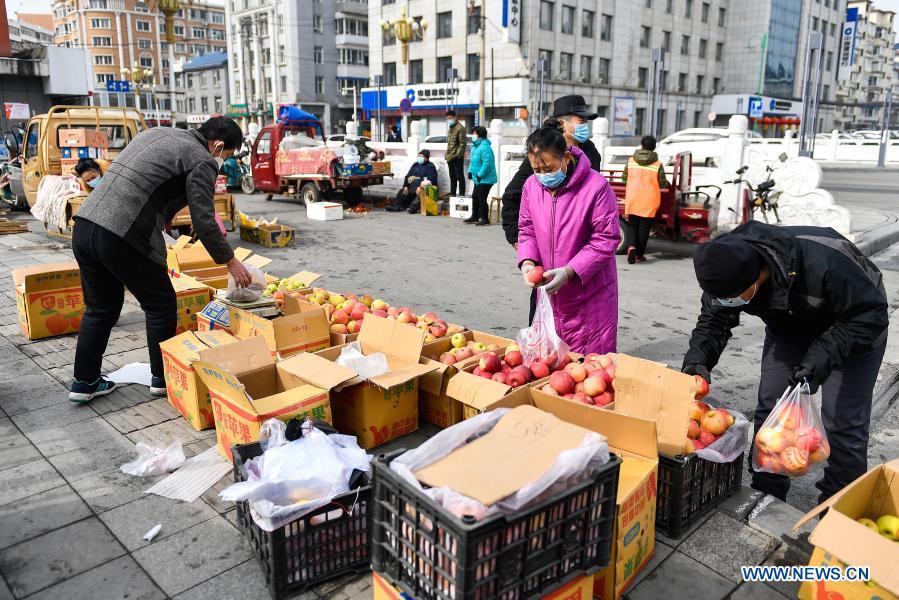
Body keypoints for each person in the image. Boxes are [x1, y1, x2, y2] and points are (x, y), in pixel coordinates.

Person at [682, 221, 888, 503]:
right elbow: (713, 320)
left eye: (732, 297)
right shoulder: (725, 263)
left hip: (855, 329)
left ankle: (838, 506)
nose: (726, 301)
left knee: (843, 424)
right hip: (790, 328)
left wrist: (819, 360)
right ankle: (766, 495)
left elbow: (870, 315)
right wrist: (697, 363)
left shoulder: (826, 262)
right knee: (772, 408)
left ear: (757, 276)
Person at [69, 116, 252, 403]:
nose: (221, 161)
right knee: (161, 304)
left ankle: (84, 381)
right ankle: (162, 378)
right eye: (226, 155)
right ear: (217, 145)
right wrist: (231, 261)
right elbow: (204, 220)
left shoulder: (155, 133)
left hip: (85, 226)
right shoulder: (202, 159)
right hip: (123, 233)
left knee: (100, 308)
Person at [517, 119, 620, 354]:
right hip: (552, 293)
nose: (542, 175)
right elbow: (527, 229)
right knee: (551, 363)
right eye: (536, 170)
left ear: (565, 157)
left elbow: (606, 238)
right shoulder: (531, 187)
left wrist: (569, 271)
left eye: (548, 168)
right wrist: (528, 261)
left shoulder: (596, 187)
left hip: (590, 294)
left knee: (588, 364)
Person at [502, 94, 604, 324]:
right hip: (547, 258)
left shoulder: (591, 154)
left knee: (583, 323)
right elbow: (512, 197)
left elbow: (600, 219)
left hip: (583, 254)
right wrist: (521, 245)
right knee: (543, 318)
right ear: (562, 123)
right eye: (581, 121)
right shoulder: (542, 154)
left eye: (586, 122)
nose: (585, 127)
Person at [621, 136, 669, 264]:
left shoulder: (631, 161)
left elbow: (624, 179)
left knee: (632, 225)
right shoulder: (657, 164)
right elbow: (662, 184)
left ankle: (631, 247)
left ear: (642, 145)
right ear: (654, 148)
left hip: (633, 198)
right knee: (644, 229)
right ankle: (639, 255)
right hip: (649, 200)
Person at [465, 126, 498, 226]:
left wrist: (480, 175)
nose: (473, 135)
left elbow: (487, 163)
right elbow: (473, 162)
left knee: (481, 197)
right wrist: (470, 171)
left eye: (474, 133)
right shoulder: (475, 147)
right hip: (478, 178)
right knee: (475, 196)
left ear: (480, 134)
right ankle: (475, 216)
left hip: (486, 178)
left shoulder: (485, 147)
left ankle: (485, 219)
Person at [445, 109, 467, 197]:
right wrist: (448, 155)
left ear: (455, 117)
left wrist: (457, 155)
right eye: (447, 118)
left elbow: (462, 144)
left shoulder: (460, 128)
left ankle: (462, 194)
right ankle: (452, 194)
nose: (449, 120)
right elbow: (449, 144)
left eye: (450, 118)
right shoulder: (450, 128)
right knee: (452, 177)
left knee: (459, 177)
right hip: (449, 157)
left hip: (457, 157)